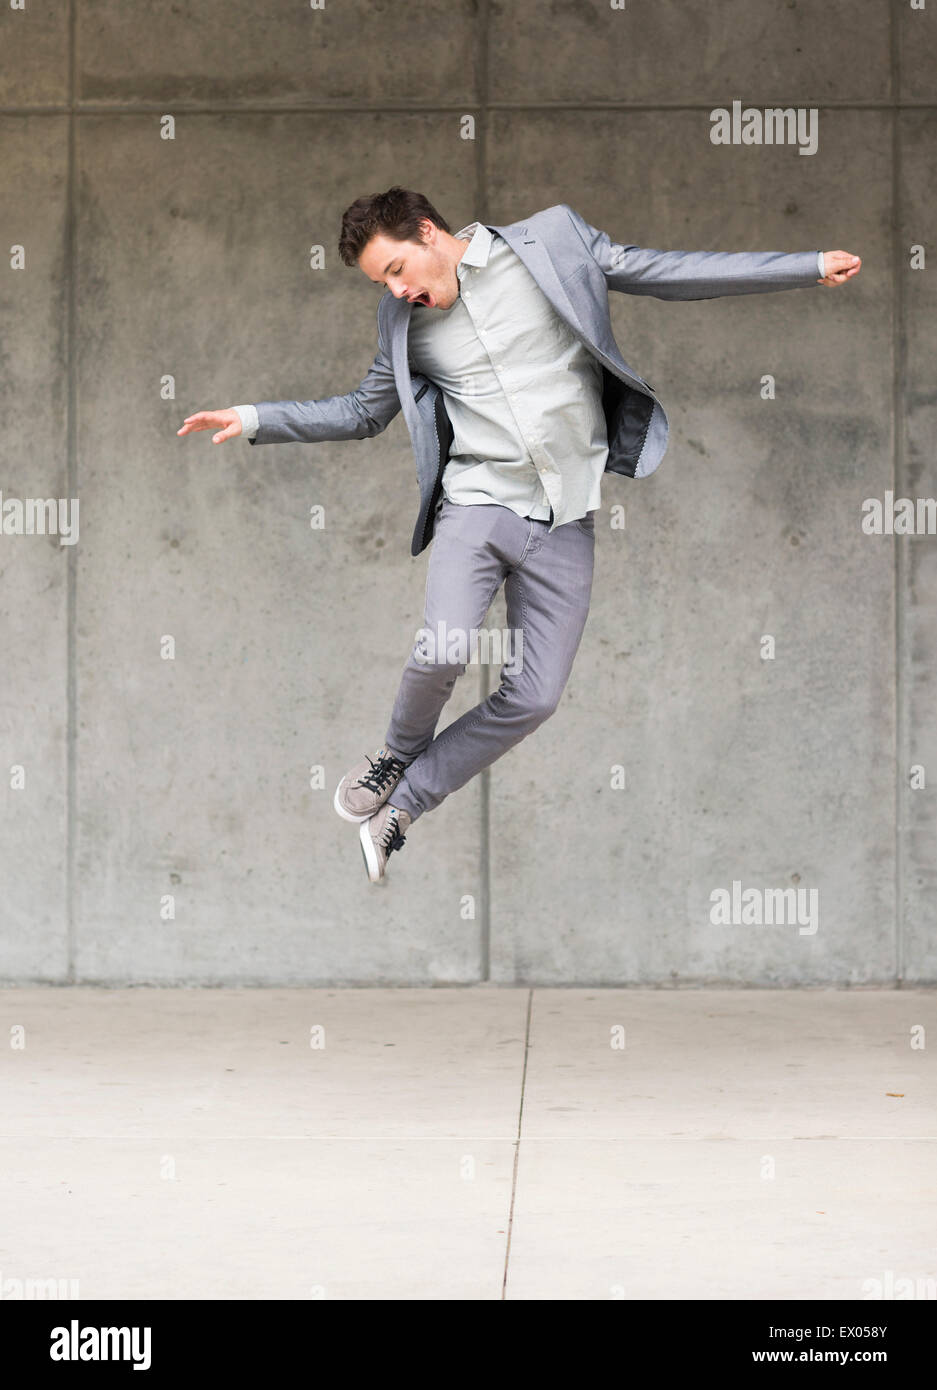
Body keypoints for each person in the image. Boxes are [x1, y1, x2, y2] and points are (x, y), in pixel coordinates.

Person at [178, 187, 861, 884]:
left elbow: (662, 272)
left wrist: (802, 265)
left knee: (535, 695)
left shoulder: (551, 242)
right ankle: (393, 756)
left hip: (564, 516)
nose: (396, 289)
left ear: (427, 231)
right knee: (442, 645)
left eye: (396, 270)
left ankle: (402, 808)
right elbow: (362, 411)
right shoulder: (402, 321)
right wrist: (254, 416)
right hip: (477, 505)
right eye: (383, 281)